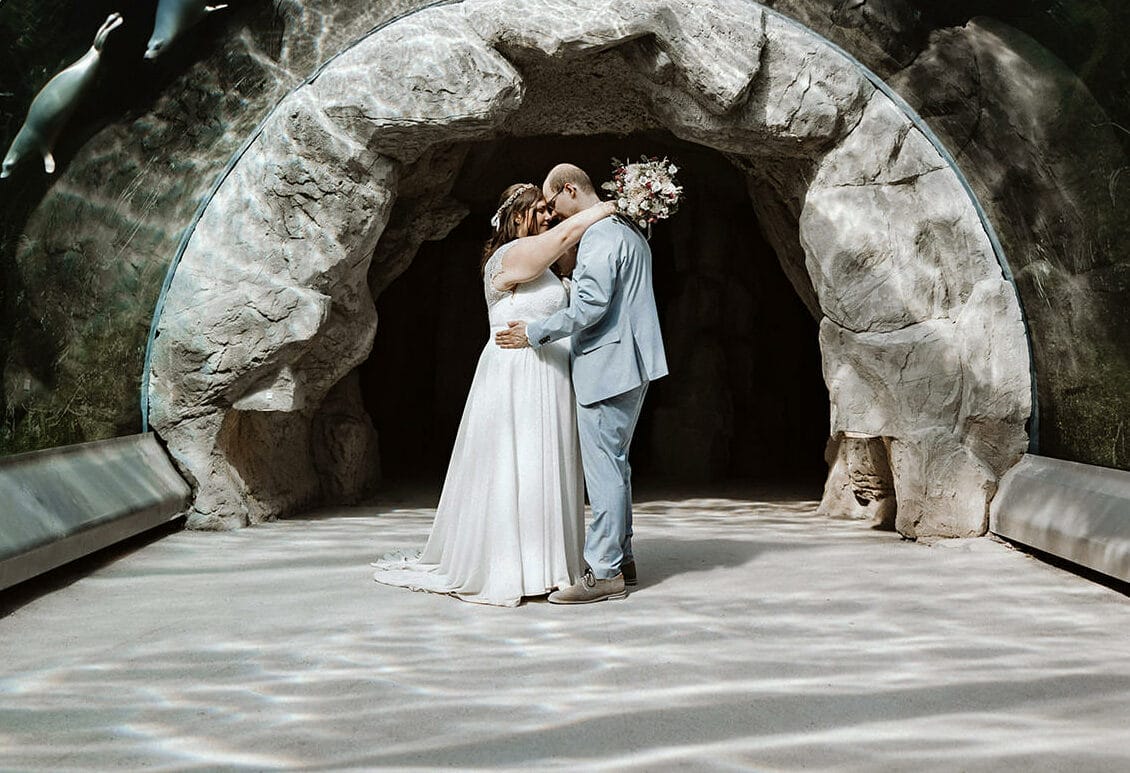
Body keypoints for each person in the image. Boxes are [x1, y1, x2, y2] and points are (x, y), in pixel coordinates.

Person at [372, 183, 617, 607]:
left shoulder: (547, 263)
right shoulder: (507, 258)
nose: (549, 216)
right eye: (540, 210)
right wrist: (610, 206)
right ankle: (511, 566)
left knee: (547, 462)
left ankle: (549, 565)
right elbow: (564, 235)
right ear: (517, 217)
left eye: (549, 209)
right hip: (517, 374)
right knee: (517, 463)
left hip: (552, 374)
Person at [496, 164, 668, 604]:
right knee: (617, 464)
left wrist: (534, 333)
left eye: (553, 202)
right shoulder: (629, 230)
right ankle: (623, 558)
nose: (553, 213)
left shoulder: (600, 235)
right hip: (633, 362)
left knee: (604, 469)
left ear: (569, 190)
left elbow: (590, 305)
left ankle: (604, 572)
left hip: (607, 365)